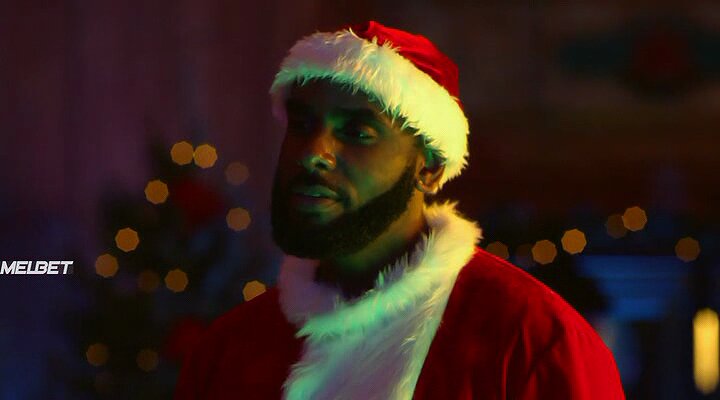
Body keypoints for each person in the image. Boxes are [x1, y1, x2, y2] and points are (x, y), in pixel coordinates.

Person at [174, 21, 625, 400]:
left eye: (357, 132)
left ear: (428, 169)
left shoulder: (531, 340)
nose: (313, 154)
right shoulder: (230, 349)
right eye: (303, 124)